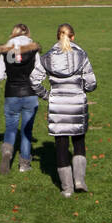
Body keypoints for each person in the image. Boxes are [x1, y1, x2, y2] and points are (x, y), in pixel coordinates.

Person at [30, 23, 96, 197]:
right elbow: (92, 83)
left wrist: (47, 96)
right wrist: (83, 89)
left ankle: (67, 188)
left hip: (58, 104)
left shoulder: (46, 57)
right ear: (73, 37)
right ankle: (80, 180)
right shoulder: (82, 55)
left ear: (57, 36)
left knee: (61, 146)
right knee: (79, 142)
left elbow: (34, 81)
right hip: (76, 104)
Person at [0, 23, 42, 173]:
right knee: (26, 131)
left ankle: (7, 152)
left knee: (10, 128)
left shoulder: (6, 51)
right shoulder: (33, 50)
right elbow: (39, 72)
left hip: (12, 93)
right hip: (30, 93)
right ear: (27, 33)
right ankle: (24, 164)